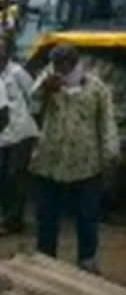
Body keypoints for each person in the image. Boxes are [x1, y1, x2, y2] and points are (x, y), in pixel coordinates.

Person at [29, 44, 119, 273]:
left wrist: (111, 152)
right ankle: (45, 258)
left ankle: (87, 259)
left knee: (87, 215)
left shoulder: (97, 88)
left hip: (86, 163)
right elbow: (31, 109)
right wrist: (45, 91)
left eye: (65, 64)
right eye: (56, 64)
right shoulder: (45, 83)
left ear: (75, 63)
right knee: (47, 215)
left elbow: (107, 121)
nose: (60, 69)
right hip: (50, 161)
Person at [0, 34, 38, 235]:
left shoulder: (17, 73)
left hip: (21, 133)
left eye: (2, 48)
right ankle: (6, 216)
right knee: (4, 177)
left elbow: (34, 98)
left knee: (15, 177)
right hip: (3, 135)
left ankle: (13, 220)